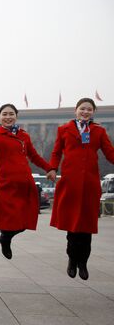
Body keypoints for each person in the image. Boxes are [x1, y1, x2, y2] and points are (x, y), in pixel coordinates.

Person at [0, 104, 55, 259]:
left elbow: (34, 156)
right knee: (8, 218)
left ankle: (7, 236)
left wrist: (49, 168)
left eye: (11, 113)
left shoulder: (24, 136)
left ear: (16, 116)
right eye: (4, 114)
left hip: (25, 182)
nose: (8, 117)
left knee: (26, 220)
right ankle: (5, 238)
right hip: (6, 182)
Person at [47, 97, 114, 280]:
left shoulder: (99, 131)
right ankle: (72, 259)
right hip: (70, 183)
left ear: (93, 112)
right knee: (72, 227)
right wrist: (52, 168)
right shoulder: (64, 130)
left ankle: (83, 262)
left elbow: (110, 153)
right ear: (76, 110)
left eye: (89, 109)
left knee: (87, 226)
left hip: (90, 184)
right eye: (82, 108)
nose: (85, 112)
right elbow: (56, 152)